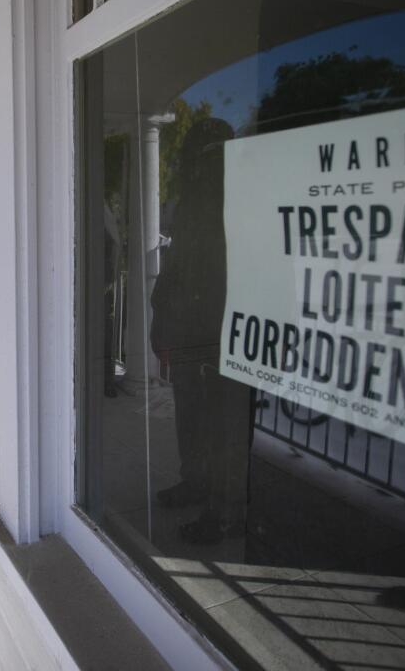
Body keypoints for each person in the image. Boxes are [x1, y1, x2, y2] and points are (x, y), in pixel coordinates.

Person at [149, 117, 254, 545]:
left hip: (223, 330)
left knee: (225, 425)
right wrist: (163, 320)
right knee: (193, 414)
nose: (201, 160)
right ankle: (196, 483)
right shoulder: (195, 196)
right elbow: (177, 267)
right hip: (192, 329)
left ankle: (226, 511)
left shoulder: (238, 192)